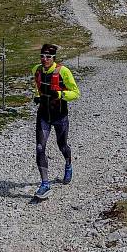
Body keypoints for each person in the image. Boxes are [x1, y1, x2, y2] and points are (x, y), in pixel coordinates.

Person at [31, 43, 80, 199]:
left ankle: (68, 164)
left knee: (62, 145)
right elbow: (37, 85)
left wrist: (59, 94)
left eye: (48, 57)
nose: (44, 59)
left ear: (54, 58)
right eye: (42, 56)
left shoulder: (63, 72)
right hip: (43, 115)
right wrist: (37, 95)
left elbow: (76, 93)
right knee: (40, 148)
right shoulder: (36, 70)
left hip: (60, 116)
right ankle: (45, 184)